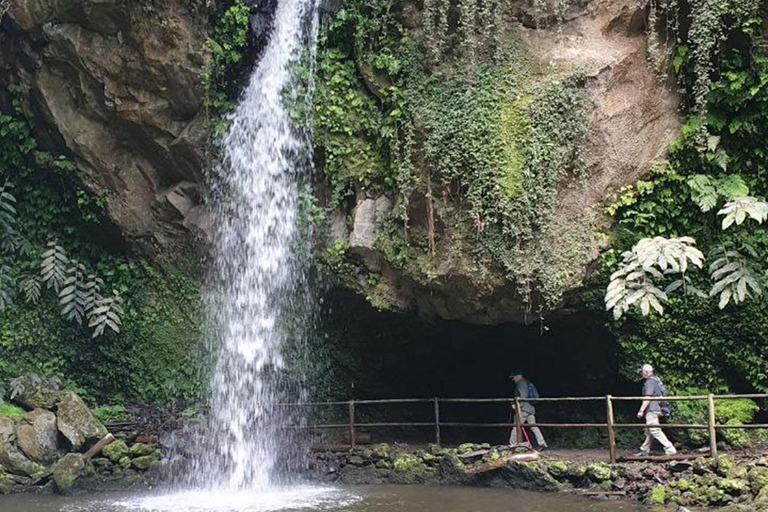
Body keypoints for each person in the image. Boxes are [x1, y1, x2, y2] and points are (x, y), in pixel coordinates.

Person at [636, 363, 677, 456]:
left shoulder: (650, 382)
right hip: (657, 408)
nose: (641, 373)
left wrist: (641, 410)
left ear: (646, 372)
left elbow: (648, 397)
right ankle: (644, 449)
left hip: (652, 409)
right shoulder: (656, 380)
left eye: (642, 372)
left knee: (654, 430)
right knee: (650, 430)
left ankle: (670, 448)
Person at [508, 370, 547, 450]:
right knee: (533, 426)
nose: (513, 379)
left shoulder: (521, 383)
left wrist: (517, 405)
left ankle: (513, 445)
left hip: (523, 409)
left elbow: (523, 396)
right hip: (530, 408)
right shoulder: (527, 382)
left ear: (518, 376)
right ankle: (542, 443)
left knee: (516, 426)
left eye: (514, 377)